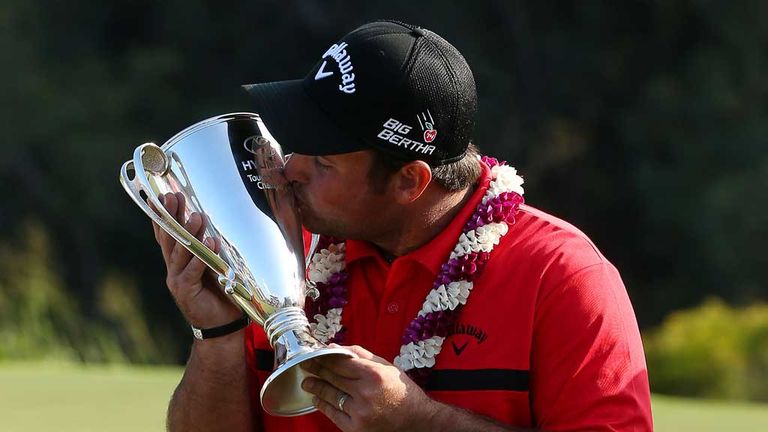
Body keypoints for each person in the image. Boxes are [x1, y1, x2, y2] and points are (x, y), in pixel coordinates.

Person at [154, 20, 653, 431]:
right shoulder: (278, 257)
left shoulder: (563, 277)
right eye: (295, 142)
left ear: (409, 181)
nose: (289, 169)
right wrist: (217, 333)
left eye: (323, 162)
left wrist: (422, 423)